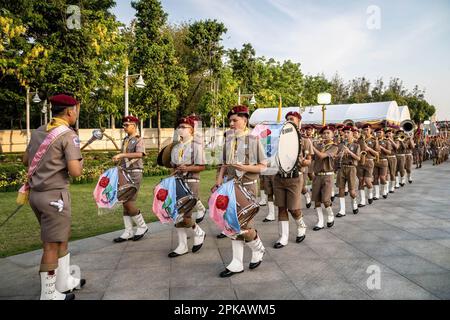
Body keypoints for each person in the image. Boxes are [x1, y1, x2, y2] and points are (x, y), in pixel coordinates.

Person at [23, 94, 85, 300]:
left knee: (60, 238)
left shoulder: (40, 131)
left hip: (36, 195)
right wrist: (78, 160)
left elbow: (26, 160)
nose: (75, 114)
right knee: (50, 245)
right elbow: (76, 171)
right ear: (69, 112)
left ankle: (63, 282)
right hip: (55, 198)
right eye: (75, 110)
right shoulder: (68, 135)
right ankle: (49, 295)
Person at [215, 105, 267, 277]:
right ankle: (236, 263)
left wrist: (243, 166)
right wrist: (218, 182)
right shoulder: (229, 140)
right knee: (232, 224)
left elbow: (263, 166)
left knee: (244, 225)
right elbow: (222, 164)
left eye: (235, 120)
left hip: (247, 186)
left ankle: (258, 248)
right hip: (230, 186)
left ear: (245, 121)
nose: (231, 123)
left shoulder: (254, 140)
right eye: (230, 120)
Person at [272, 111, 313, 248]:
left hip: (295, 177)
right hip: (279, 177)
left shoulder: (305, 141)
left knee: (294, 208)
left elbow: (309, 161)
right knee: (281, 207)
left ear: (298, 122)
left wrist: (303, 161)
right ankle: (283, 237)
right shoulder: (279, 139)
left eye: (291, 119)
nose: (288, 121)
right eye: (287, 119)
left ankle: (301, 225)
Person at [167, 116, 207, 257]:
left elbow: (202, 166)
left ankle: (198, 232)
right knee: (177, 214)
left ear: (191, 130)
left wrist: (188, 168)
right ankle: (182, 245)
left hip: (191, 182)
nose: (180, 129)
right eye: (179, 127)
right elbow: (173, 166)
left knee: (186, 215)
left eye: (184, 127)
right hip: (178, 182)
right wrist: (171, 179)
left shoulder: (196, 145)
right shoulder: (176, 147)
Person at [112, 115, 148, 243]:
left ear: (134, 125)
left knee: (128, 201)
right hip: (125, 172)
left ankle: (142, 226)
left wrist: (122, 154)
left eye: (127, 125)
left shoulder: (138, 139)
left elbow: (140, 154)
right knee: (124, 201)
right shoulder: (126, 139)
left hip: (134, 172)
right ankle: (128, 231)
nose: (124, 127)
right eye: (123, 125)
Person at [311, 125, 339, 230]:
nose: (325, 135)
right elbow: (313, 156)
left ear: (332, 135)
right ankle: (320, 221)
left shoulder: (334, 147)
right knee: (316, 200)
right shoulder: (319, 145)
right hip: (317, 176)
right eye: (324, 133)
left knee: (326, 199)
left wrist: (312, 146)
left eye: (328, 133)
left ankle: (330, 215)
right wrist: (310, 146)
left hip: (328, 176)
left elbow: (322, 156)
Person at [335, 126, 361, 217]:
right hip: (342, 167)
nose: (345, 134)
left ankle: (354, 204)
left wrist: (349, 152)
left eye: (348, 133)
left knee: (352, 191)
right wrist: (339, 154)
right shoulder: (341, 145)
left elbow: (358, 158)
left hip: (351, 168)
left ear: (352, 134)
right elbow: (336, 156)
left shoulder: (356, 145)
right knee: (341, 189)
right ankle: (342, 210)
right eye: (344, 132)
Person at [357, 124, 378, 207]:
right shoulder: (360, 139)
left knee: (367, 181)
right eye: (364, 130)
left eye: (367, 129)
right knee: (361, 181)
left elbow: (377, 152)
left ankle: (370, 193)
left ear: (371, 130)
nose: (366, 131)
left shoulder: (374, 140)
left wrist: (369, 149)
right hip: (360, 162)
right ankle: (362, 201)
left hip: (369, 161)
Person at [373, 128, 391, 199]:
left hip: (383, 161)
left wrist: (383, 148)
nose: (378, 134)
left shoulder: (386, 141)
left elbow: (389, 152)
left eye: (380, 132)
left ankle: (384, 190)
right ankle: (376, 194)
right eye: (377, 132)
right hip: (375, 161)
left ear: (383, 133)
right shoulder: (373, 141)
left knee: (382, 177)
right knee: (375, 178)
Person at [385, 127, 399, 193]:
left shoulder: (396, 140)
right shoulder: (384, 140)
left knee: (392, 173)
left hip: (392, 158)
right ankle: (387, 188)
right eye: (387, 133)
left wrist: (391, 140)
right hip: (386, 158)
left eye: (390, 133)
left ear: (392, 134)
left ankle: (392, 187)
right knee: (386, 174)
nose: (389, 134)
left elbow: (397, 147)